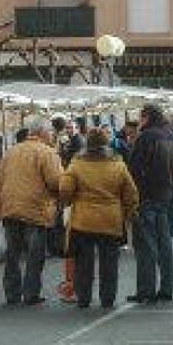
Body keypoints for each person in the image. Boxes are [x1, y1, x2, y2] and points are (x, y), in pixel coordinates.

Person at [60, 128, 139, 309]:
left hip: (83, 220)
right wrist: (128, 213)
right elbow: (131, 193)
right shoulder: (118, 164)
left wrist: (68, 202)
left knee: (83, 263)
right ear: (106, 143)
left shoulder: (77, 163)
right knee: (109, 263)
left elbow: (65, 189)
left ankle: (84, 297)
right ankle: (107, 298)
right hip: (111, 220)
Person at [0, 119, 63, 306]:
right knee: (35, 255)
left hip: (10, 207)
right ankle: (30, 293)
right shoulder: (47, 152)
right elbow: (55, 182)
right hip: (36, 209)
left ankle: (11, 293)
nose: (52, 135)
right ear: (42, 133)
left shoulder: (11, 151)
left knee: (13, 253)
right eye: (50, 132)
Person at [126, 104, 173, 304]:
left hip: (147, 196)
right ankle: (167, 288)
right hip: (167, 196)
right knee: (165, 244)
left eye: (140, 117)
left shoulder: (146, 137)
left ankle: (146, 290)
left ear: (147, 117)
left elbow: (133, 168)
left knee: (146, 246)